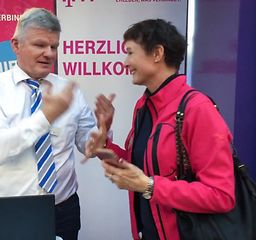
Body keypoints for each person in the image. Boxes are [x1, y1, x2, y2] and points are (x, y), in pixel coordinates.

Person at [85, 19, 235, 240]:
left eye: (130, 52)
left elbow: (221, 195)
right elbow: (139, 168)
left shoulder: (198, 109)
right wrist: (104, 146)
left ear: (157, 53)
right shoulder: (143, 106)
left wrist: (150, 187)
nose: (125, 62)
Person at [0, 8, 97, 240]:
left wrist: (99, 139)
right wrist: (44, 118)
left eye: (54, 46)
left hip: (63, 210)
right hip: (8, 212)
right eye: (40, 45)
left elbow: (86, 142)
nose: (49, 54)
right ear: (16, 45)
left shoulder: (69, 90)